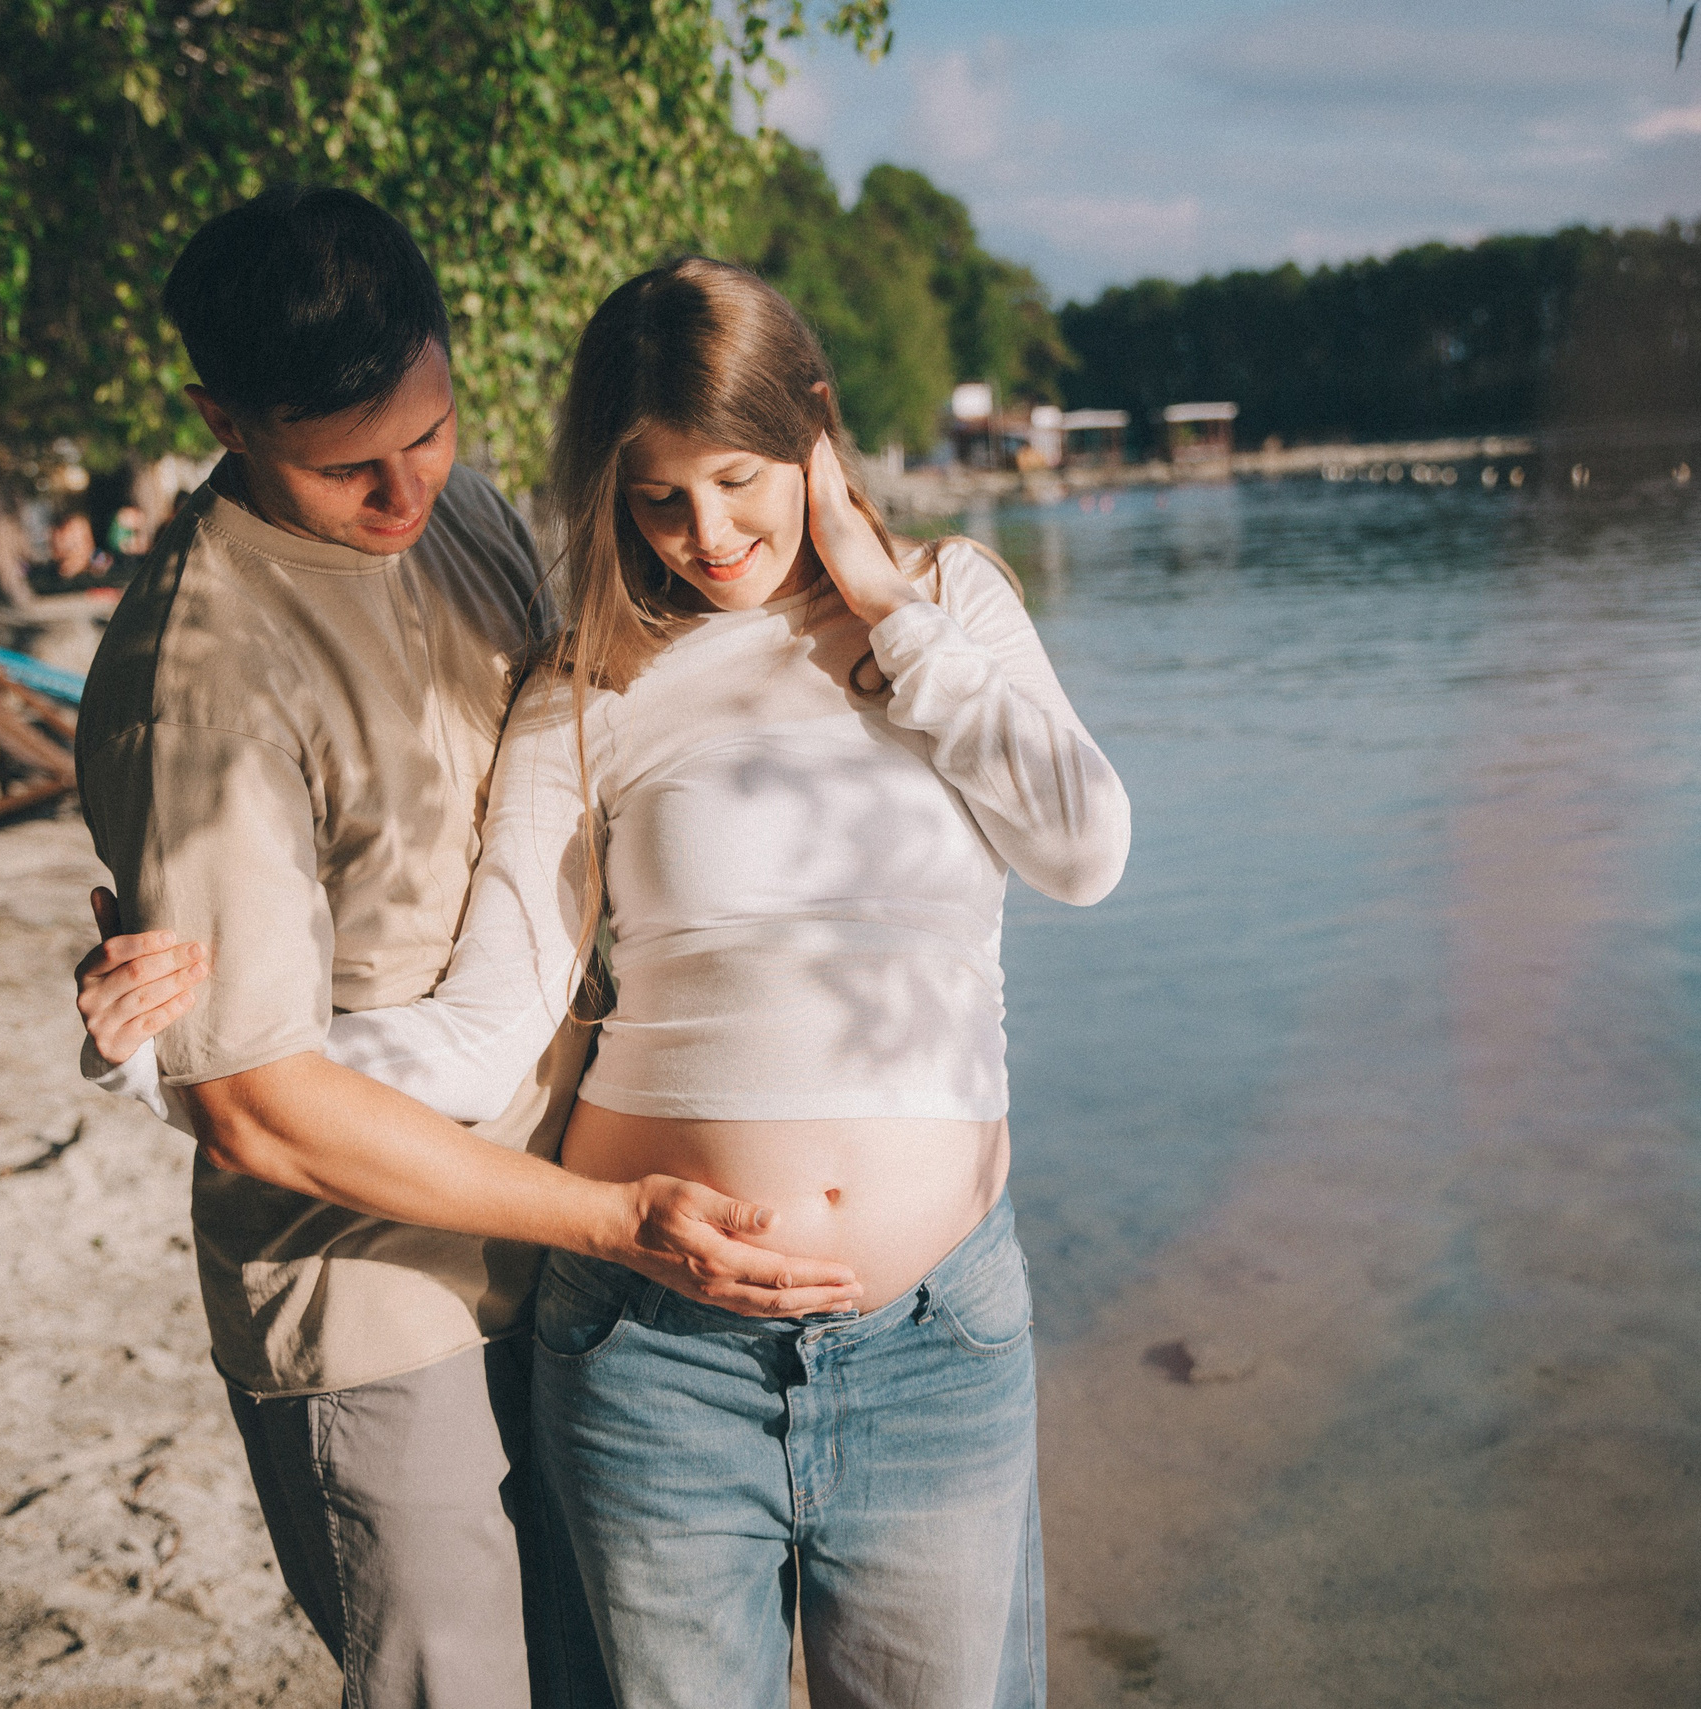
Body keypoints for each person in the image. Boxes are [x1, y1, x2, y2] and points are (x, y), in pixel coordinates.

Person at [84, 256, 1130, 1706]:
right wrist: (174, 1059)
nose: (709, 535)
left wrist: (890, 607)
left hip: (931, 1349)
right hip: (660, 1363)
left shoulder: (954, 610)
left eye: (744, 480)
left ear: (813, 429)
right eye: (659, 497)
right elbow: (482, 1029)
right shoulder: (588, 689)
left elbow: (1084, 848)